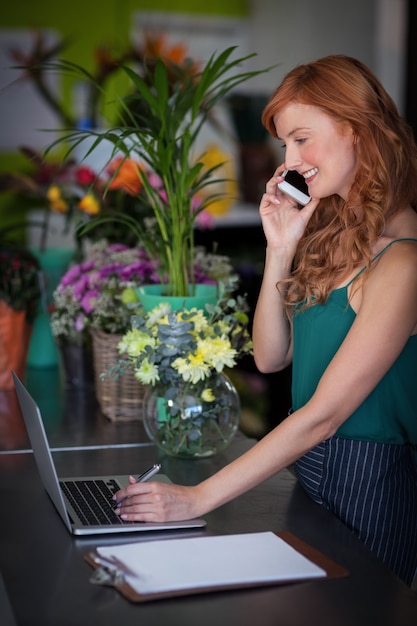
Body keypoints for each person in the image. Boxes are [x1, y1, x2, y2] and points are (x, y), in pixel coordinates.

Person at [113, 55, 417, 586]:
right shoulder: (337, 235)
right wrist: (280, 247)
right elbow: (272, 357)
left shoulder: (405, 261)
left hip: (372, 477)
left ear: (360, 133)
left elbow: (325, 414)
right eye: (285, 146)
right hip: (310, 462)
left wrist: (197, 498)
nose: (290, 161)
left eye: (302, 139)